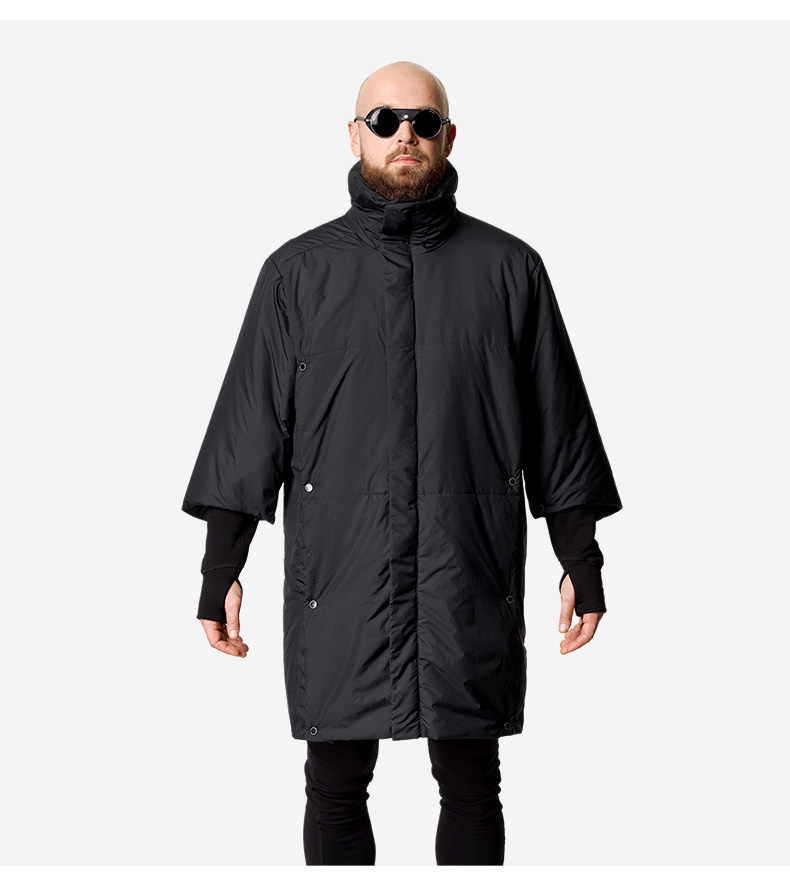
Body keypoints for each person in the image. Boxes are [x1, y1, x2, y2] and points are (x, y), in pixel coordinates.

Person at [182, 60, 622, 865]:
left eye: (423, 121)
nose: (404, 135)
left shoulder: (509, 269)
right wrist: (220, 570)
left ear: (450, 137)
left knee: (471, 780)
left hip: (466, 568)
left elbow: (558, 427)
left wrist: (581, 562)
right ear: (354, 136)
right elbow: (249, 429)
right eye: (384, 121)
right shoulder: (297, 274)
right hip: (340, 570)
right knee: (335, 782)